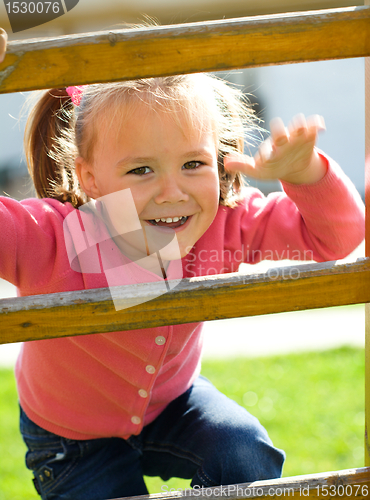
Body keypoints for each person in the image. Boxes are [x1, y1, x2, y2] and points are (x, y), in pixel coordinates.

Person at [0, 30, 365, 500]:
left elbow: (336, 239)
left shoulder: (225, 224)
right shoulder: (51, 238)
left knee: (245, 452)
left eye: (194, 163)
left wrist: (307, 173)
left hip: (175, 404)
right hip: (70, 437)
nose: (173, 191)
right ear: (89, 176)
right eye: (141, 170)